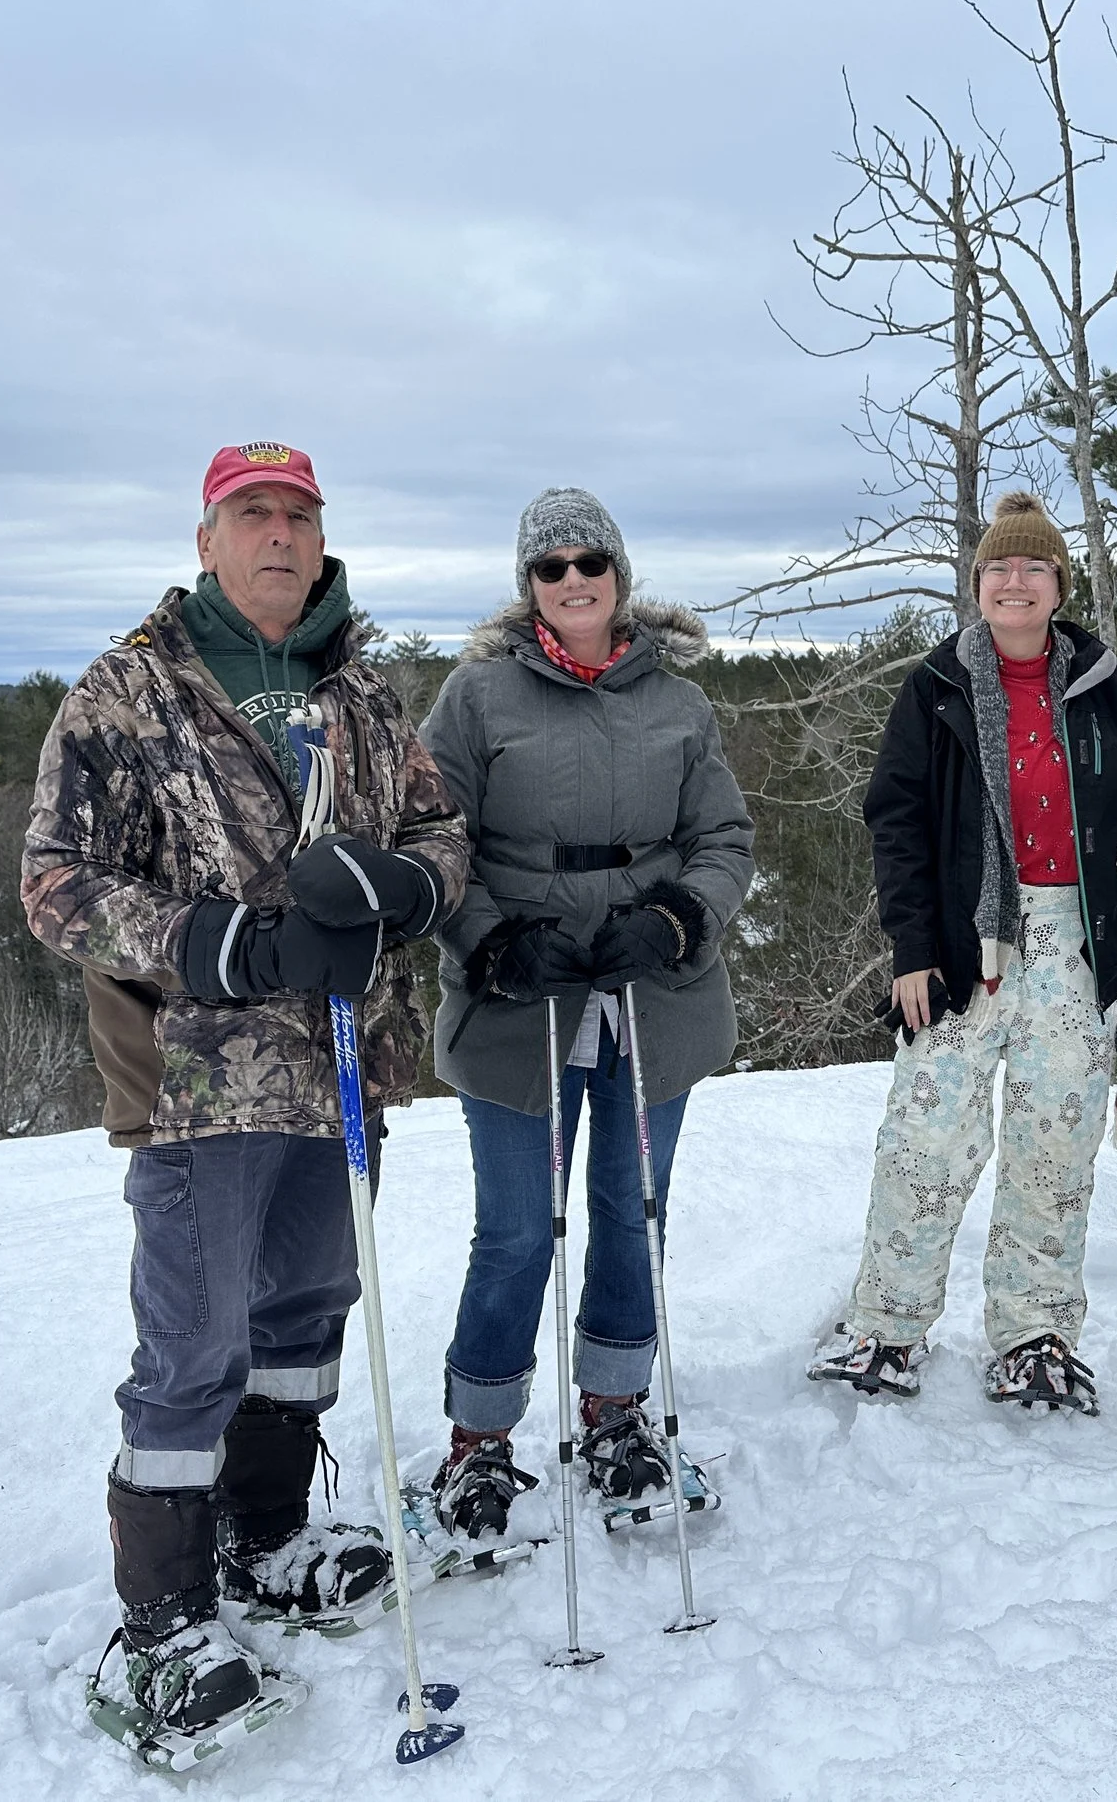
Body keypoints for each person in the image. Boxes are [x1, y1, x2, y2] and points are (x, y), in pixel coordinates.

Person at [22, 440, 470, 1738]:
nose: (278, 534)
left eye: (298, 515)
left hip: (345, 1058)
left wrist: (409, 886)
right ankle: (159, 1618)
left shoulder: (365, 693)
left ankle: (266, 1534)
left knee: (310, 1307)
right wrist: (227, 942)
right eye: (251, 514)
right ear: (208, 537)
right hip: (195, 1076)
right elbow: (55, 883)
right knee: (195, 1337)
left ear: (322, 540)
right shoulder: (128, 691)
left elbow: (440, 832)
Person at [808, 492, 1117, 1414]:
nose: (1014, 580)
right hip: (965, 944)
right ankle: (887, 1325)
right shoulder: (938, 685)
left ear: (1057, 584)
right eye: (999, 567)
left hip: (1075, 941)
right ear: (979, 584)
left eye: (1033, 567)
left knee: (1055, 1140)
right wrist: (913, 945)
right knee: (927, 1139)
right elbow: (898, 819)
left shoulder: (1100, 681)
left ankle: (1034, 1334)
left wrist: (1112, 810)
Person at [415, 486, 754, 1539]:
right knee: (516, 1231)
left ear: (619, 574)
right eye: (549, 567)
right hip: (526, 990)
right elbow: (430, 835)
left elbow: (724, 837)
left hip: (653, 988)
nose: (572, 581)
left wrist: (681, 918)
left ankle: (615, 1411)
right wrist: (492, 939)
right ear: (528, 587)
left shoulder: (678, 703)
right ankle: (480, 1439)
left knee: (629, 1208)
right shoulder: (475, 698)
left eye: (588, 562)